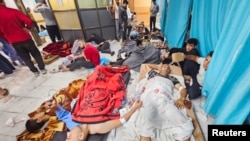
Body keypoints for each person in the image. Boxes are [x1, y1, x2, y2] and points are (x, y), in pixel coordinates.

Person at [126, 63, 193, 141]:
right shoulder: (153, 74)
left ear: (169, 71)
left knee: (183, 123)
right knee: (147, 123)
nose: (166, 67)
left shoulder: (172, 78)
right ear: (160, 68)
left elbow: (182, 89)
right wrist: (158, 67)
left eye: (168, 67)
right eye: (164, 66)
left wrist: (182, 98)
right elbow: (146, 65)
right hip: (150, 98)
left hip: (164, 99)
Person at [0, 0, 47, 77]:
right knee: (35, 53)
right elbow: (28, 21)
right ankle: (42, 69)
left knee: (25, 57)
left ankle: (35, 71)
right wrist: (27, 28)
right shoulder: (13, 11)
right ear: (2, 2)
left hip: (14, 41)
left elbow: (0, 34)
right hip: (25, 37)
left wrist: (7, 39)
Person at [66, 100, 142, 141]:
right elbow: (121, 121)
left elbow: (64, 114)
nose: (67, 134)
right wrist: (134, 108)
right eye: (69, 137)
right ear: (81, 136)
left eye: (67, 137)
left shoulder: (78, 121)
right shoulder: (98, 127)